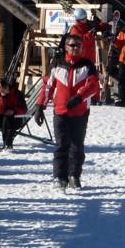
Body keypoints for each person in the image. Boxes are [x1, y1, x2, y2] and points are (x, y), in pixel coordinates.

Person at [35, 37, 100, 190]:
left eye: (78, 46)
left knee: (77, 146)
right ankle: (59, 177)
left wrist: (78, 98)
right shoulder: (57, 64)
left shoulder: (87, 65)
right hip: (60, 111)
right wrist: (39, 106)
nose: (75, 48)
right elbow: (47, 86)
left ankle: (74, 176)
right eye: (72, 45)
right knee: (61, 145)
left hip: (80, 112)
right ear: (66, 47)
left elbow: (93, 86)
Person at [0, 79, 27, 151]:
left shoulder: (17, 93)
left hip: (15, 120)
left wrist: (13, 111)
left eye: (4, 87)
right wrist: (3, 96)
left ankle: (7, 144)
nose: (2, 90)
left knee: (7, 117)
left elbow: (24, 109)